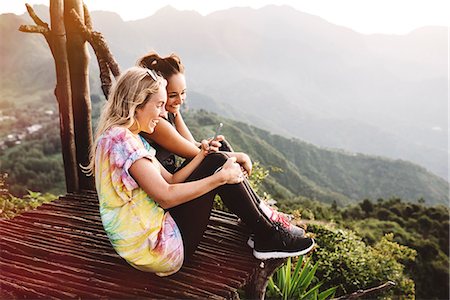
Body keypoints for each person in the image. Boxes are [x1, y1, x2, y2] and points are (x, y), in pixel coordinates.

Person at [87, 66, 314, 277]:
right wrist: (218, 178)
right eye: (158, 105)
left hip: (144, 243)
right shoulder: (123, 141)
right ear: (137, 104)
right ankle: (267, 233)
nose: (162, 113)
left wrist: (202, 156)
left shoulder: (122, 136)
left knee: (214, 158)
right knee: (218, 164)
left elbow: (171, 179)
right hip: (159, 249)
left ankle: (265, 227)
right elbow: (165, 196)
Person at [137, 51, 306, 240]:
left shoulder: (170, 112)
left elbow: (191, 144)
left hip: (175, 181)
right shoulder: (156, 123)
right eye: (172, 95)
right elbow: (194, 154)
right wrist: (240, 156)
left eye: (183, 93)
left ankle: (260, 214)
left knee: (219, 146)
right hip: (168, 192)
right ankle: (264, 226)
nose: (180, 100)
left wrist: (207, 143)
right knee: (217, 160)